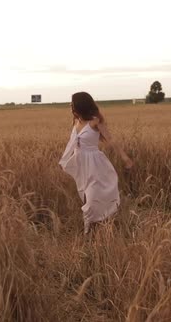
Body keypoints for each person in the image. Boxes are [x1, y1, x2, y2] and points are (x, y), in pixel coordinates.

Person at [58, 92, 134, 234]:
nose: (70, 105)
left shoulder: (95, 121)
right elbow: (71, 143)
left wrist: (125, 158)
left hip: (94, 164)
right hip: (81, 164)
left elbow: (110, 139)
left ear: (80, 104)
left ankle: (94, 230)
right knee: (86, 197)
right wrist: (64, 160)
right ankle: (93, 232)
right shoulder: (76, 121)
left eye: (72, 103)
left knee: (93, 199)